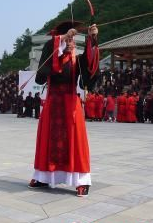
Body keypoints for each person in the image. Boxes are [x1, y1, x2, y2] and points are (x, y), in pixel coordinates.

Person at [29, 22, 99, 197]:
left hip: (71, 105)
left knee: (76, 143)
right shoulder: (53, 53)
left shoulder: (78, 59)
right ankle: (43, 177)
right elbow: (41, 75)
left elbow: (91, 62)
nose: (70, 43)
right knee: (47, 142)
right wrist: (61, 40)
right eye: (67, 39)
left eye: (72, 40)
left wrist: (92, 38)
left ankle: (81, 181)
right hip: (53, 103)